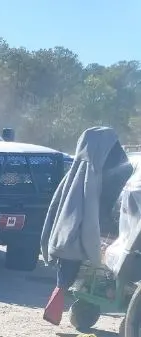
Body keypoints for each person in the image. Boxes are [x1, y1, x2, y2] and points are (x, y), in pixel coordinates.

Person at [41, 127, 133, 325]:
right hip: (93, 240)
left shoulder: (77, 173)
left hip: (70, 242)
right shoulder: (110, 172)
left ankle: (61, 296)